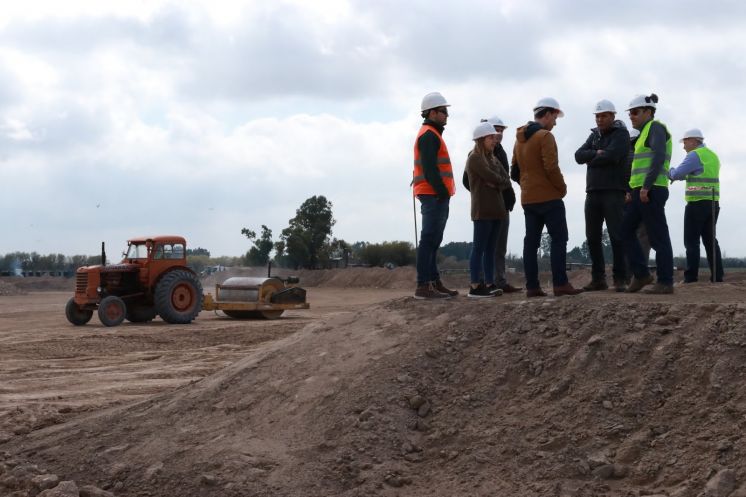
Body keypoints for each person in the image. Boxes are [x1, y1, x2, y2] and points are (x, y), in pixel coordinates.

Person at [511, 97, 583, 297]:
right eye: (555, 117)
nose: (556, 122)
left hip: (528, 198)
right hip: (550, 197)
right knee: (559, 239)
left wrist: (527, 185)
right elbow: (551, 167)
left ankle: (532, 287)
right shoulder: (545, 137)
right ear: (549, 113)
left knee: (530, 243)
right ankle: (560, 284)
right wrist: (562, 188)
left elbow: (514, 171)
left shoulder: (519, 139)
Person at [574, 99, 630, 292]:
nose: (600, 119)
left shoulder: (621, 134)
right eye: (597, 116)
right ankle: (598, 279)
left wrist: (592, 158)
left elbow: (613, 156)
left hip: (613, 191)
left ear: (613, 116)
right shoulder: (594, 135)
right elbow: (577, 155)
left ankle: (620, 278)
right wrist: (595, 154)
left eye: (604, 115)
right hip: (593, 192)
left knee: (616, 236)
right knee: (592, 237)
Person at [621, 93, 675, 294]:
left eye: (635, 112)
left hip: (651, 190)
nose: (631, 116)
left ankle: (665, 281)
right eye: (630, 113)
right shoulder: (643, 132)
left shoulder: (655, 128)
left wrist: (646, 186)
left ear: (648, 112)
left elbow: (659, 156)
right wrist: (632, 190)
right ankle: (642, 274)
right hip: (639, 192)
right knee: (625, 231)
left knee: (658, 236)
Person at [463, 116, 520, 293]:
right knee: (479, 248)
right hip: (483, 209)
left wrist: (497, 183)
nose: (495, 140)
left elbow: (505, 179)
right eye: (491, 137)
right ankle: (475, 285)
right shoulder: (474, 158)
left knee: (490, 249)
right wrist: (497, 182)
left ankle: (489, 283)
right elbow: (494, 177)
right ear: (481, 139)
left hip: (497, 209)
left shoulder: (493, 158)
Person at [412, 92, 458, 299]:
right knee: (429, 239)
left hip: (435, 194)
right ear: (432, 112)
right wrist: (441, 192)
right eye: (443, 111)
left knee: (433, 240)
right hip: (433, 194)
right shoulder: (429, 135)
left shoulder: (433, 133)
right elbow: (430, 169)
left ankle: (433, 281)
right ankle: (423, 285)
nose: (446, 115)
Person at [668, 128, 724, 283]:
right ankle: (717, 276)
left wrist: (670, 171)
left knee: (691, 241)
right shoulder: (713, 156)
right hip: (713, 202)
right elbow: (700, 173)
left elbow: (678, 173)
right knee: (710, 240)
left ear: (693, 140)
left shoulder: (694, 155)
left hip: (696, 202)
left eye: (685, 142)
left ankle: (691, 277)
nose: (684, 146)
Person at [628, 128, 652, 268]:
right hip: (641, 197)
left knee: (628, 234)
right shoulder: (641, 154)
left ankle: (631, 272)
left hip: (629, 197)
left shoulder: (625, 154)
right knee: (643, 236)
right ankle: (640, 270)